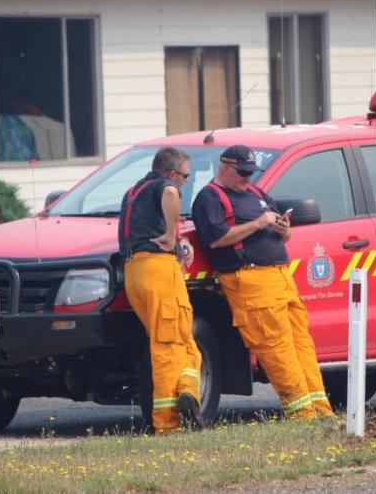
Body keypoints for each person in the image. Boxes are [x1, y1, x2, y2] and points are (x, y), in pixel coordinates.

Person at [192, 145, 333, 420]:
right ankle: (302, 414)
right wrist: (257, 223)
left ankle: (321, 410)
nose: (247, 179)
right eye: (242, 173)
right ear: (225, 168)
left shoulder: (256, 193)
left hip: (280, 277)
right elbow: (216, 239)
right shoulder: (210, 198)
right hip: (251, 279)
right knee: (277, 348)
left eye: (251, 173)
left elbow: (285, 236)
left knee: (301, 344)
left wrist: (283, 230)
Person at [118, 146, 202, 434]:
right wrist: (170, 234)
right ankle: (168, 424)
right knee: (168, 345)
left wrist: (178, 243)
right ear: (170, 173)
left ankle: (188, 391)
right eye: (185, 176)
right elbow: (169, 194)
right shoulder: (164, 186)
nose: (185, 182)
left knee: (183, 340)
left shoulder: (133, 192)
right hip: (157, 272)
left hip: (134, 273)